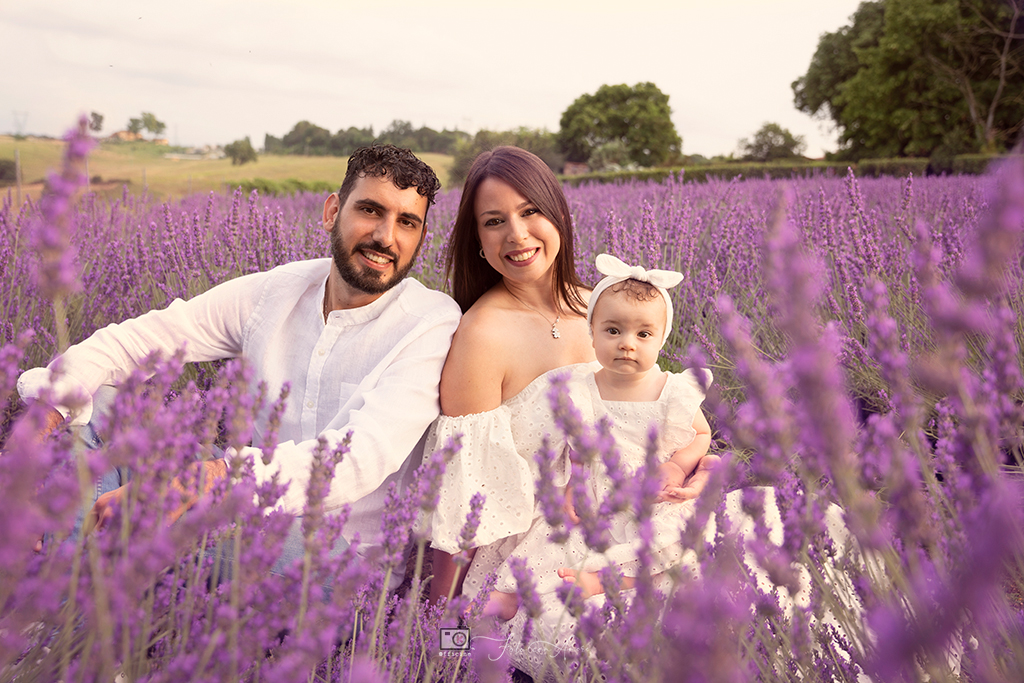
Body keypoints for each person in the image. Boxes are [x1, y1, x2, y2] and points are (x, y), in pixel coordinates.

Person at [17, 144, 462, 570]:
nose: (386, 236)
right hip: (240, 495)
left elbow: (357, 459)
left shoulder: (429, 324)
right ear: (332, 211)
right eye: (370, 210)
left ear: (421, 239)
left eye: (407, 222)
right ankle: (63, 577)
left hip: (337, 558)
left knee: (141, 512)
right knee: (103, 404)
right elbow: (135, 341)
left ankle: (51, 581)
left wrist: (197, 482)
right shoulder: (278, 291)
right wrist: (36, 430)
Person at [427, 146, 719, 607]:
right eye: (494, 221)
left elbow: (658, 414)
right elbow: (462, 496)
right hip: (550, 554)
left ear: (559, 215)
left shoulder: (605, 311)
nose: (517, 234)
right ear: (478, 240)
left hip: (645, 524)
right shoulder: (481, 336)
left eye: (530, 211)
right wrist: (440, 625)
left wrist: (701, 469)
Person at [485, 253, 713, 623]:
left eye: (643, 334)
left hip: (652, 497)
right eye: (613, 331)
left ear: (662, 339)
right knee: (553, 542)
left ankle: (604, 581)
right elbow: (575, 446)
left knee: (673, 543)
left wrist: (677, 465)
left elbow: (700, 433)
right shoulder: (581, 388)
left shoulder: (672, 391)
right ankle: (513, 596)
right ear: (592, 333)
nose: (627, 344)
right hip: (597, 495)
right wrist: (573, 482)